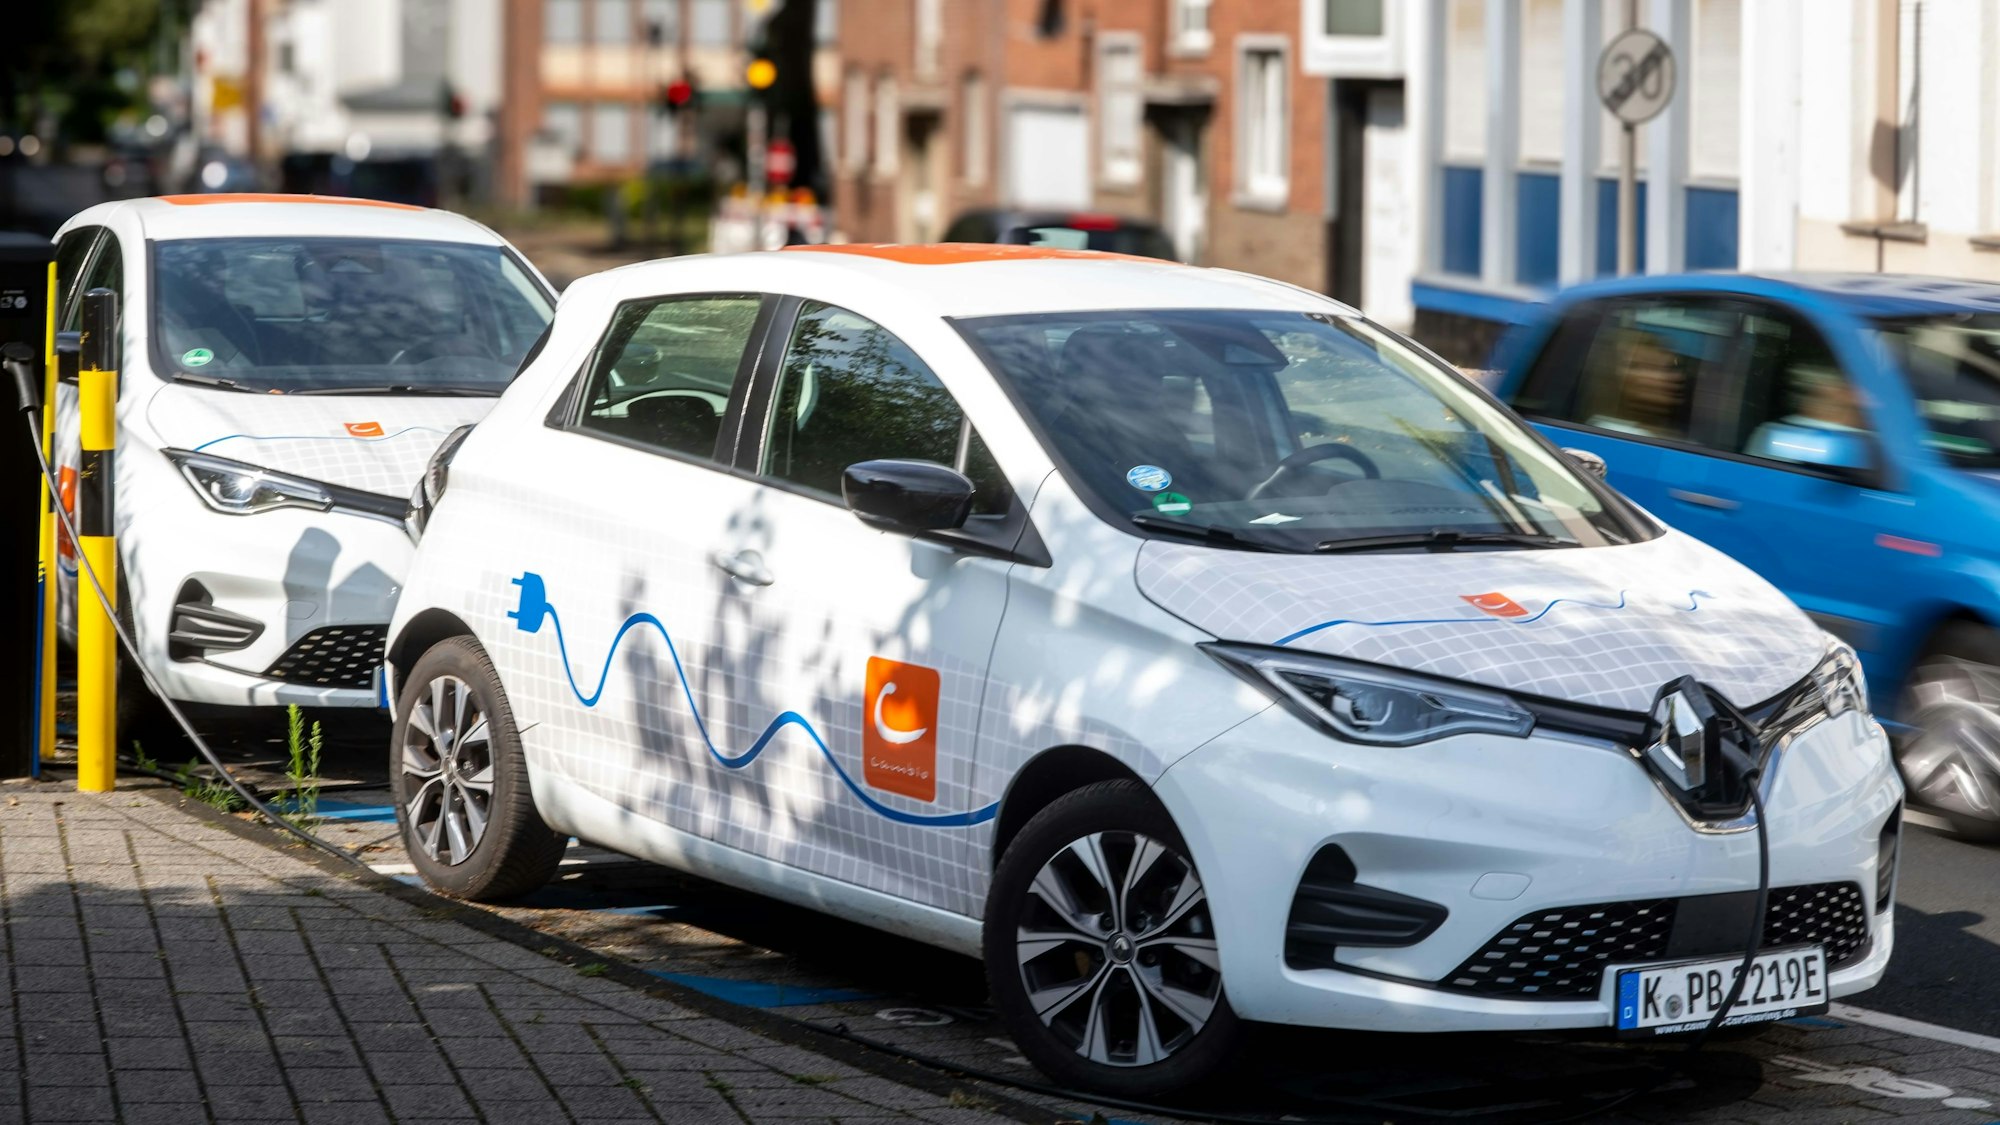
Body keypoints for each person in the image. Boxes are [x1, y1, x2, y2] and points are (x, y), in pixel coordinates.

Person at [1587, 329, 1690, 437]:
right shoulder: (1610, 431)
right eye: (1636, 367)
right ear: (1613, 376)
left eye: (1669, 368)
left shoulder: (1670, 433)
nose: (1670, 377)